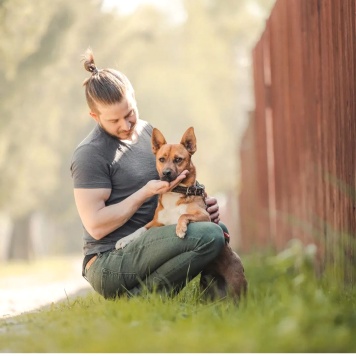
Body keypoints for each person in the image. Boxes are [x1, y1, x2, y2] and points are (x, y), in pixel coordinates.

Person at [70, 48, 228, 299]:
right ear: (95, 116)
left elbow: (175, 177)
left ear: (134, 98)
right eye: (114, 121)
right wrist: (144, 193)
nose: (126, 125)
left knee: (216, 228)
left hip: (152, 236)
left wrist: (200, 202)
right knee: (208, 236)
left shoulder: (147, 133)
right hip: (109, 261)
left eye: (129, 113)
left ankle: (202, 300)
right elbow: (97, 227)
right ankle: (141, 298)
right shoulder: (90, 154)